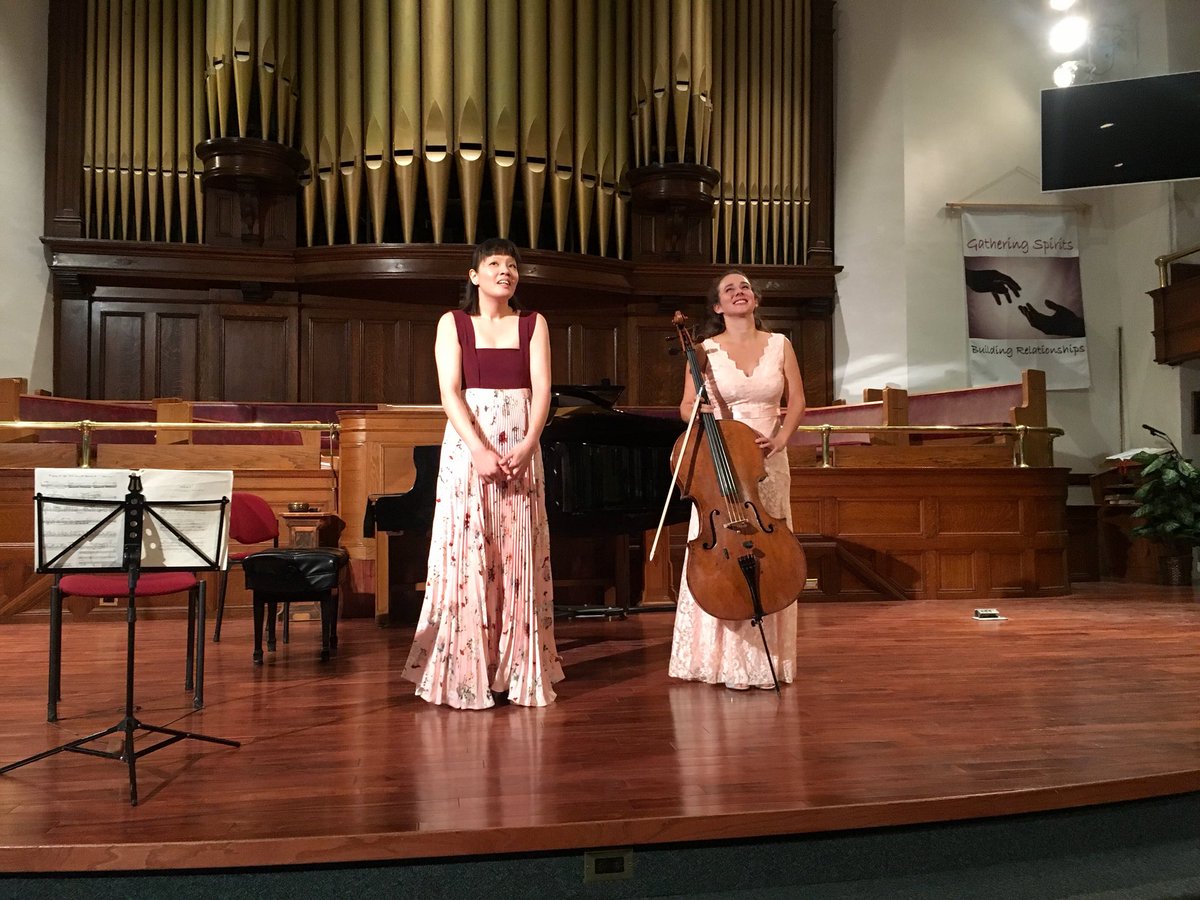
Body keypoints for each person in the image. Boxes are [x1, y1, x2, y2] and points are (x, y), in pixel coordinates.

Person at [404, 238, 563, 709]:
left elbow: (543, 390)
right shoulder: (452, 323)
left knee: (517, 556)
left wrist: (529, 442)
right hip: (469, 446)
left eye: (512, 265)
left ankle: (515, 670)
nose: (505, 271)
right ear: (474, 276)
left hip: (520, 444)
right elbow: (450, 391)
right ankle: (468, 669)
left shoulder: (534, 324)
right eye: (494, 263)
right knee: (469, 553)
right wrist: (478, 450)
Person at [668, 270, 807, 690]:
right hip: (720, 463)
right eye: (729, 289)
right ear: (717, 306)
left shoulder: (780, 344)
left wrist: (781, 439)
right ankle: (715, 660)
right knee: (721, 553)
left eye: (744, 286)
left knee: (772, 553)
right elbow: (686, 405)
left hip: (767, 463)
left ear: (756, 298)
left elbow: (797, 400)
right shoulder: (704, 350)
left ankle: (769, 662)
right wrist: (700, 412)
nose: (738, 292)